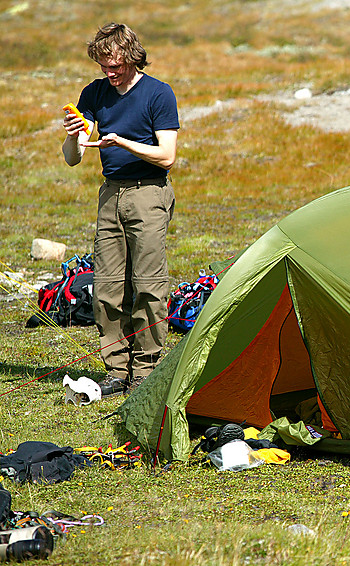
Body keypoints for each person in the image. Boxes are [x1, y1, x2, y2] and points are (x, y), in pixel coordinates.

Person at [62, 22, 180, 397]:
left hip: (149, 193)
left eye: (115, 66)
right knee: (108, 287)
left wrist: (125, 143)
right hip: (110, 195)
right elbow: (73, 158)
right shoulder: (94, 93)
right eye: (103, 67)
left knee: (148, 285)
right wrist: (71, 135)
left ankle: (146, 370)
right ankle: (116, 369)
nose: (110, 74)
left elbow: (167, 156)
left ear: (132, 57)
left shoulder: (158, 94)